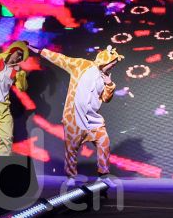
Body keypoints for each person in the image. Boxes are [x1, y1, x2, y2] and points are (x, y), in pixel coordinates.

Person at [31, 44, 123, 187]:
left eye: (114, 65)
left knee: (104, 143)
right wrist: (40, 51)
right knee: (71, 149)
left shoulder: (105, 78)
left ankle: (104, 176)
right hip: (74, 117)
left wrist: (109, 84)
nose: (113, 66)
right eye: (112, 63)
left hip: (93, 120)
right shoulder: (81, 65)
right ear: (105, 60)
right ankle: (71, 176)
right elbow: (61, 59)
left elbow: (106, 99)